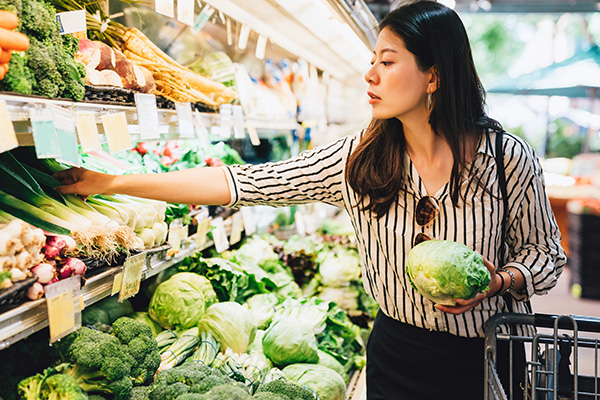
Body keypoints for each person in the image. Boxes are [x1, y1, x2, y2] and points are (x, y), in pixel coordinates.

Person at [55, 1, 566, 399]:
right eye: (372, 61)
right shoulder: (360, 162)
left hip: (485, 359)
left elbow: (546, 257)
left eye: (388, 62)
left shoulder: (505, 158)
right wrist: (110, 184)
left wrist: (498, 281)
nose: (370, 75)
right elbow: (241, 183)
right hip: (397, 353)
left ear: (433, 76)